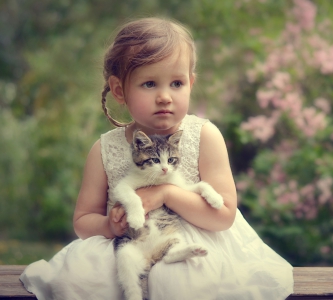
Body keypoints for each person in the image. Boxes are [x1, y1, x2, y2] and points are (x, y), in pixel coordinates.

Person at [20, 17, 293, 299]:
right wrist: (109, 225)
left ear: (191, 83)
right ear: (118, 90)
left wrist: (164, 193)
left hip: (190, 243)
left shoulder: (204, 136)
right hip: (131, 243)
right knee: (80, 282)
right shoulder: (104, 148)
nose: (164, 96)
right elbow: (83, 219)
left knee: (178, 280)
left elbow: (224, 216)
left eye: (176, 83)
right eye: (149, 84)